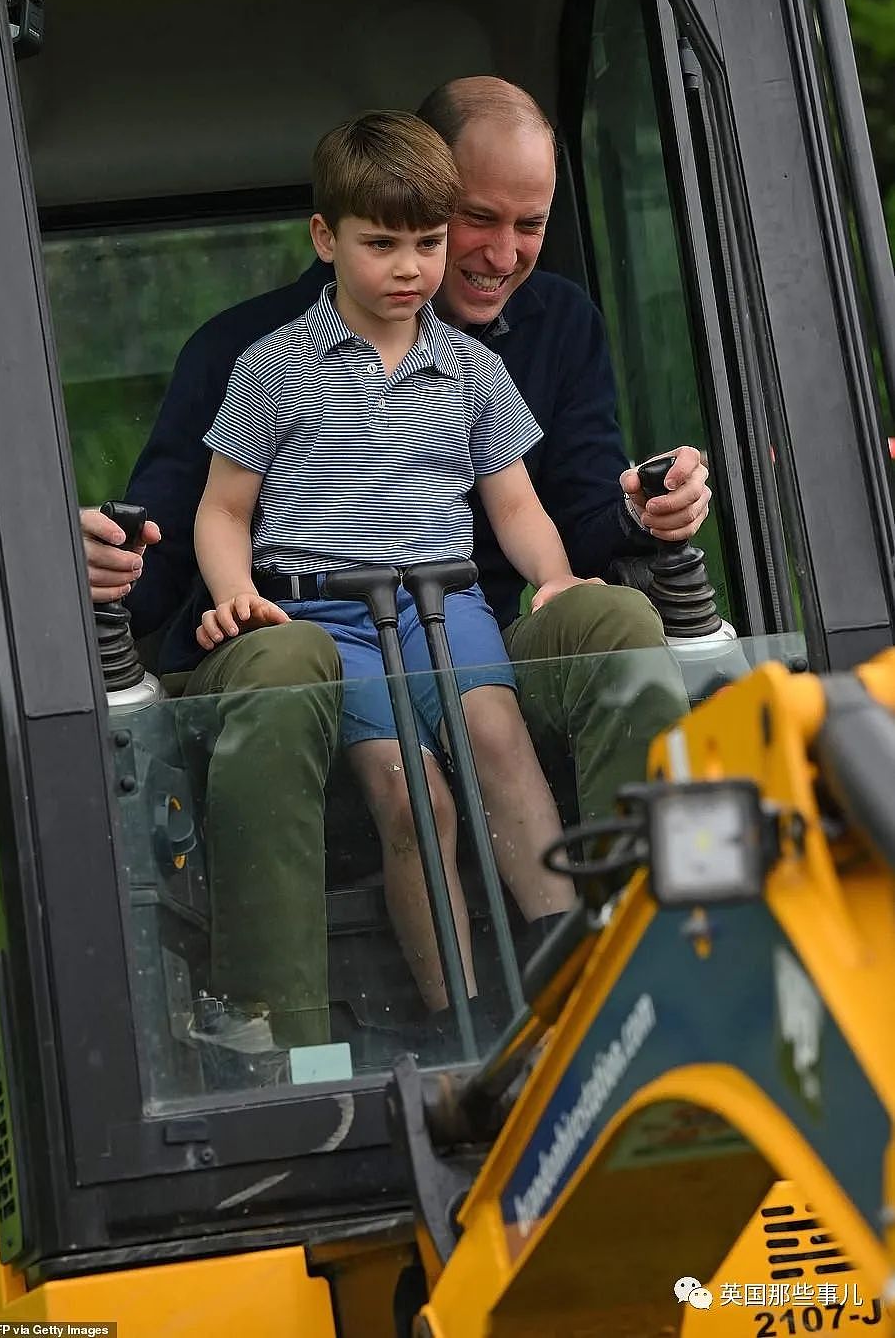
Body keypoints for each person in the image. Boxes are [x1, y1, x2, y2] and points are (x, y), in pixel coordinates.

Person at [81, 75, 709, 1049]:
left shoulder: (534, 339)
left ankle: (634, 976)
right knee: (317, 699)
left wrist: (634, 514)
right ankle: (291, 1041)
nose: (495, 254)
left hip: (466, 619)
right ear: (348, 227)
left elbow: (550, 510)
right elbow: (189, 532)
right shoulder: (255, 357)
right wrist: (118, 568)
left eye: (528, 224)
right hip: (310, 630)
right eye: (469, 221)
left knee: (615, 625)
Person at [194, 110, 577, 1015]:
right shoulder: (273, 367)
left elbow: (514, 503)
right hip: (329, 616)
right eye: (383, 244)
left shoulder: (474, 371)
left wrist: (553, 578)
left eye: (430, 243)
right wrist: (238, 596)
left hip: (447, 601)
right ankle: (464, 1017)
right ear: (325, 239)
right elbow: (222, 508)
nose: (411, 268)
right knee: (414, 802)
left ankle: (576, 973)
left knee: (498, 742)